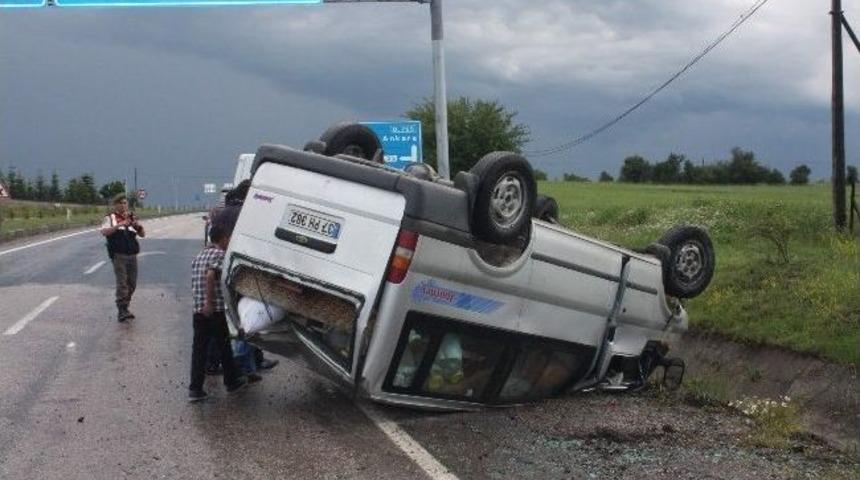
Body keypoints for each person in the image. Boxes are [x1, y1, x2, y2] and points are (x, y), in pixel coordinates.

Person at [188, 221, 248, 402]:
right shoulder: (221, 254)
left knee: (199, 350)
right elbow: (210, 275)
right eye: (228, 238)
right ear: (222, 239)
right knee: (224, 347)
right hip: (212, 310)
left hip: (198, 311)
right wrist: (209, 303)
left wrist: (202, 304)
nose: (229, 241)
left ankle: (195, 389)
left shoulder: (199, 256)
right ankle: (231, 382)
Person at [100, 193, 145, 322]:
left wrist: (136, 225)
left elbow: (142, 234)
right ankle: (122, 310)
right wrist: (120, 225)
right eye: (121, 203)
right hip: (119, 255)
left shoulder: (132, 217)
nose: (124, 205)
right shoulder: (110, 217)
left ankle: (125, 306)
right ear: (116, 204)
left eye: (126, 203)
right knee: (122, 283)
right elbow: (104, 232)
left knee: (132, 283)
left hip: (132, 254)